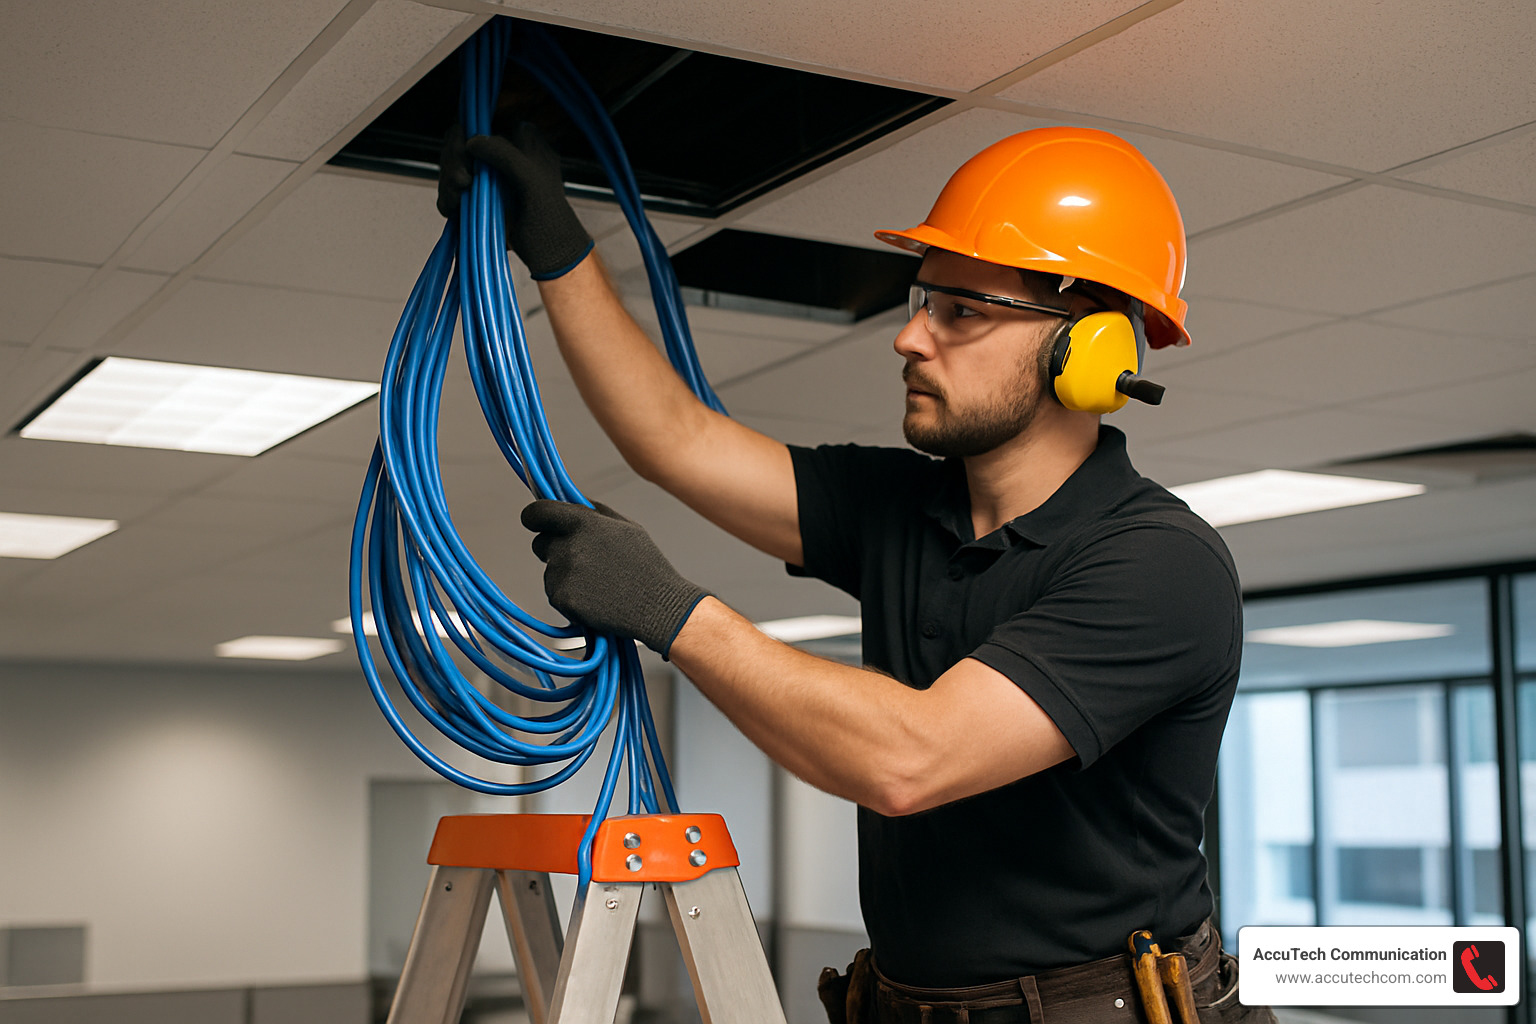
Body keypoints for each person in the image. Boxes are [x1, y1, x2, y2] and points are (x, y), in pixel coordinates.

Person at [439, 122, 1275, 1024]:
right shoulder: (903, 506)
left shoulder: (1158, 563)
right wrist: (557, 246)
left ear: (1091, 353)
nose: (910, 338)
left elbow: (909, 758)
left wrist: (666, 607)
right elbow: (676, 440)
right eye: (923, 301)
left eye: (961, 310)